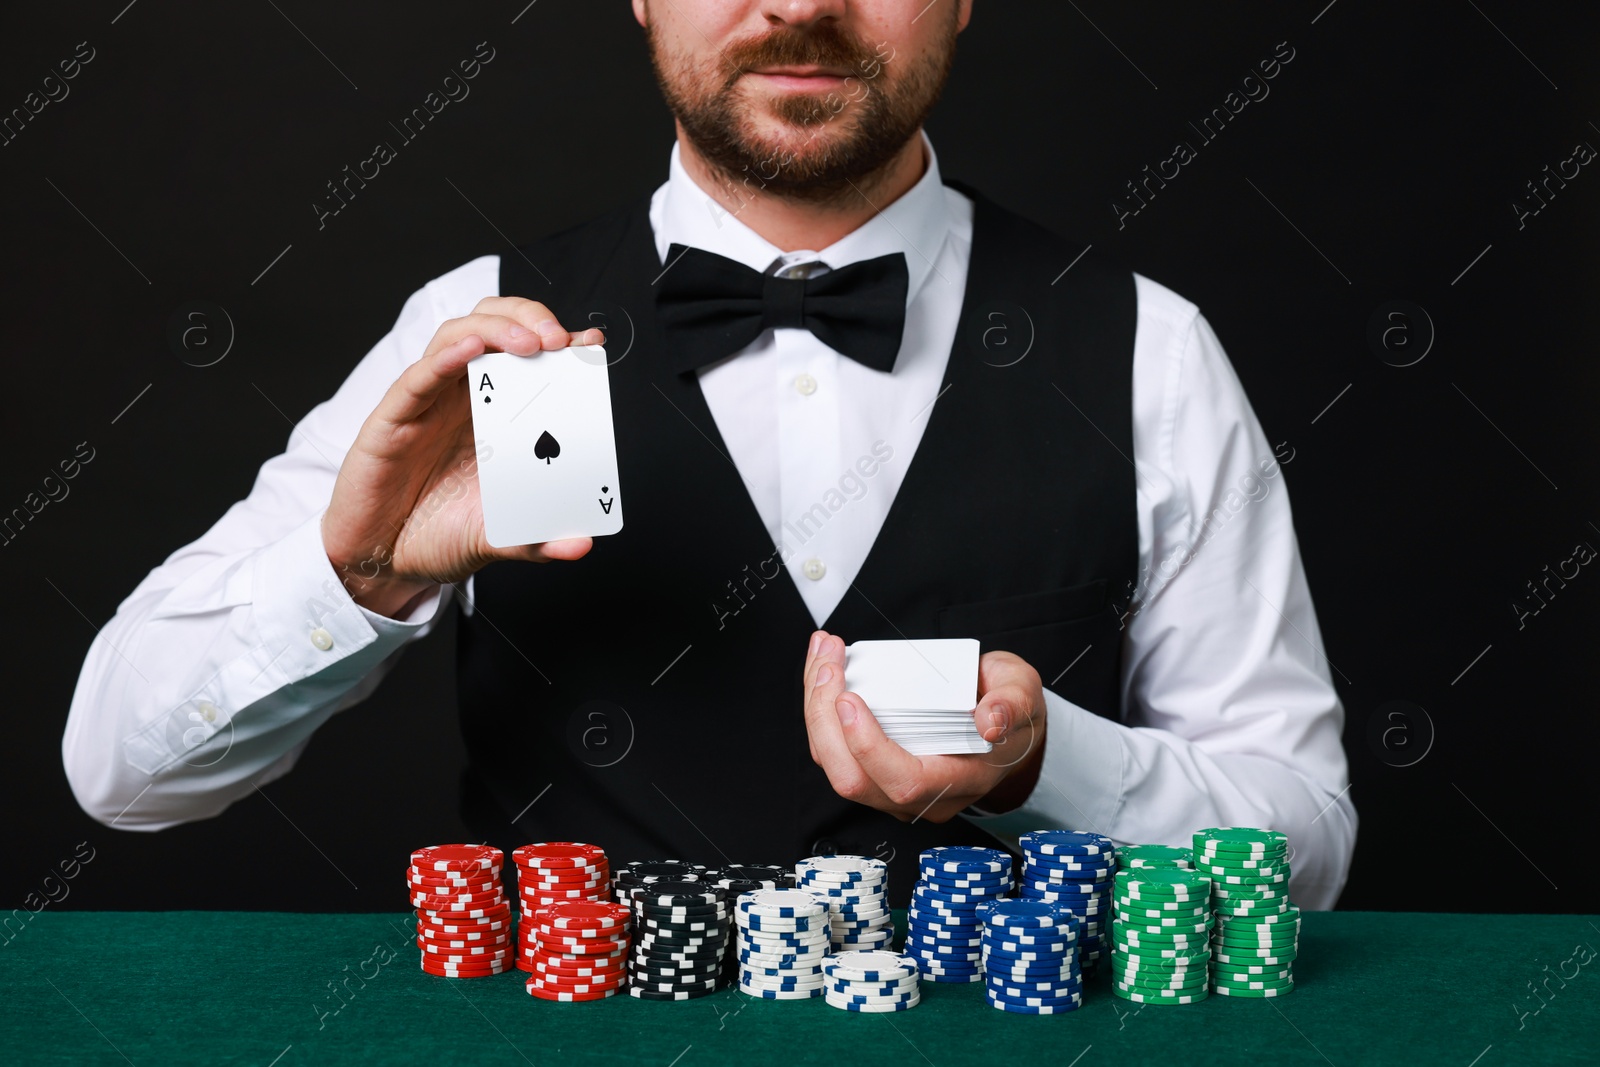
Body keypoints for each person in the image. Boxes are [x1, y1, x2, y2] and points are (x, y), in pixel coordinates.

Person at [62, 0, 1355, 907]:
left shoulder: (1148, 347)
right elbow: (120, 770)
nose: (798, 3)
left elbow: (1308, 842)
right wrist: (356, 582)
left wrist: (1044, 764)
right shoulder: (485, 339)